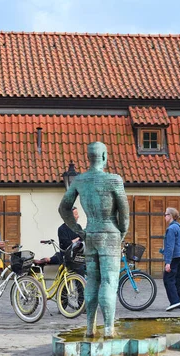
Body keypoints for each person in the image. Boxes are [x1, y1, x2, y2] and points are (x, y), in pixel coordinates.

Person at [59, 142, 129, 338]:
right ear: (105, 157)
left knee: (92, 282)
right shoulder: (114, 180)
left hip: (90, 233)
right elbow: (124, 212)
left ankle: (90, 328)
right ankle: (108, 329)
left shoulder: (79, 181)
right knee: (109, 281)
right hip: (110, 232)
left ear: (88, 158)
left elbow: (63, 208)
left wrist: (77, 229)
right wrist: (121, 233)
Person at [162, 207, 180, 311]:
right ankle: (179, 301)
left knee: (168, 279)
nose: (164, 216)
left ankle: (175, 301)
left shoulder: (171, 229)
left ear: (170, 216)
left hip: (174, 257)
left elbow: (170, 246)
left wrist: (168, 262)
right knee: (177, 279)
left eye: (166, 214)